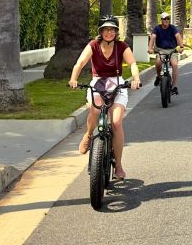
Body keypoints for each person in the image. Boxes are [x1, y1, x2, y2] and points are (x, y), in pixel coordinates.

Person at [69, 15, 141, 179]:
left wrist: (136, 79)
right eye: (106, 29)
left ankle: (119, 166)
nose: (109, 33)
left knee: (116, 123)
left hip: (117, 84)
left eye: (112, 30)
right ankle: (88, 135)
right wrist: (74, 79)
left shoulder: (122, 46)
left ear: (116, 32)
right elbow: (79, 63)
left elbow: (133, 64)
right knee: (94, 111)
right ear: (101, 32)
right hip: (98, 83)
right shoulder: (93, 45)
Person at [148, 12, 183, 95]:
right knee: (158, 62)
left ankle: (173, 87)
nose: (166, 20)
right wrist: (150, 48)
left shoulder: (172, 28)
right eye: (164, 19)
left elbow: (178, 36)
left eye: (168, 18)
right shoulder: (157, 28)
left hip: (172, 50)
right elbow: (153, 38)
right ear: (161, 20)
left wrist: (181, 46)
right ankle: (158, 76)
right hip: (161, 50)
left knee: (175, 65)